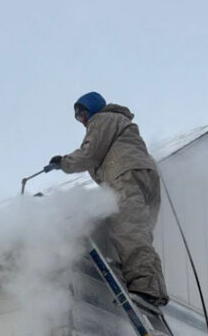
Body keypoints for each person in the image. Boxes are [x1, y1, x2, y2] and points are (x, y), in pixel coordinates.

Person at [48, 92, 169, 307]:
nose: (83, 120)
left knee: (128, 230)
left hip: (126, 176)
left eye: (83, 113)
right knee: (140, 233)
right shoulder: (121, 124)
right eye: (78, 117)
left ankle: (144, 287)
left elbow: (89, 154)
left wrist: (64, 162)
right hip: (147, 180)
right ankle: (154, 289)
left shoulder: (102, 120)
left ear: (94, 108)